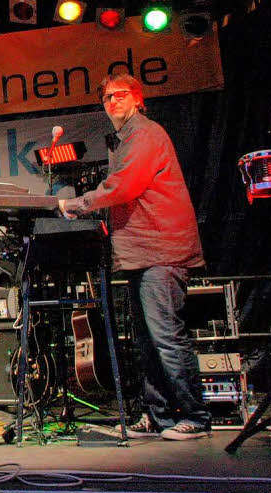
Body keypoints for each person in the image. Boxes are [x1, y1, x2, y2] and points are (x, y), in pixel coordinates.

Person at [59, 73, 209, 441]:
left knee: (166, 338)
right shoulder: (126, 138)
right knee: (146, 342)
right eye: (106, 98)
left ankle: (196, 417)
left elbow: (124, 185)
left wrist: (77, 205)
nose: (112, 102)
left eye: (119, 95)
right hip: (142, 253)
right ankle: (157, 416)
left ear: (137, 98)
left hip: (161, 250)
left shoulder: (144, 133)